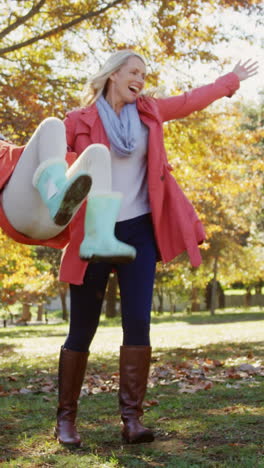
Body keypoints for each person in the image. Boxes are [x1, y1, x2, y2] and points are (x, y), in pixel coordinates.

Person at [53, 50, 258, 447]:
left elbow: (188, 101)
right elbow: (52, 169)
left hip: (138, 233)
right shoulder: (77, 121)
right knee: (82, 328)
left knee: (138, 324)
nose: (141, 79)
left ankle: (132, 420)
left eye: (144, 74)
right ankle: (66, 421)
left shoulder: (148, 113)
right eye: (134, 72)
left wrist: (228, 81)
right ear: (113, 75)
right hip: (93, 233)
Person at [0, 118, 136, 260]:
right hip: (19, 212)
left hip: (51, 223)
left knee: (98, 152)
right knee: (52, 124)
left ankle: (99, 237)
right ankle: (55, 194)